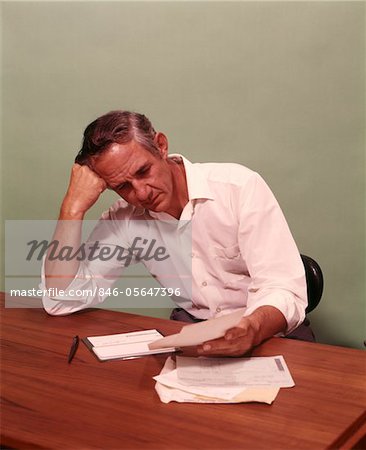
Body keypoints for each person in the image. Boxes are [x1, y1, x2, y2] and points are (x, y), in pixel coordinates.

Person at [42, 110, 310, 357]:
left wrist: (251, 329)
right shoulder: (124, 218)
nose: (142, 192)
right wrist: (72, 208)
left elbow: (284, 289)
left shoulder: (238, 187)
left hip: (269, 331)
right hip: (195, 336)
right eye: (123, 186)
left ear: (161, 145)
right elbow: (60, 302)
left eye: (143, 171)